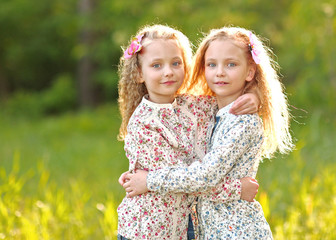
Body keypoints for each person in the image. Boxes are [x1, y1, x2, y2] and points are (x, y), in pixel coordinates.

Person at [122, 26, 294, 239]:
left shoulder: (202, 110)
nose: (220, 72)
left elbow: (198, 177)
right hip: (149, 229)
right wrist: (236, 189)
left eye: (176, 63)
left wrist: (256, 94)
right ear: (139, 72)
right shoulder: (145, 123)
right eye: (212, 64)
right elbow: (185, 181)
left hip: (228, 229)